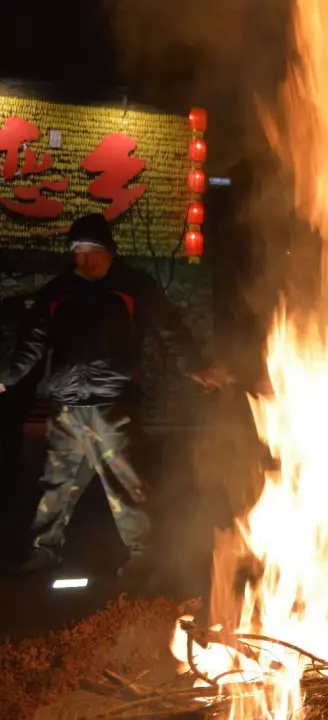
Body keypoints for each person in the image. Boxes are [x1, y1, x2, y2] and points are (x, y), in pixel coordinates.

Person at [0, 213, 228, 577]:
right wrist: (6, 377)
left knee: (127, 484)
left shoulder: (134, 288)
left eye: (91, 252)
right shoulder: (58, 292)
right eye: (77, 253)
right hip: (67, 410)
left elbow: (170, 331)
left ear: (111, 251)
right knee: (55, 487)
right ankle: (43, 550)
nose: (83, 261)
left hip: (113, 407)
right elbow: (33, 340)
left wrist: (196, 367)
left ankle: (145, 555)